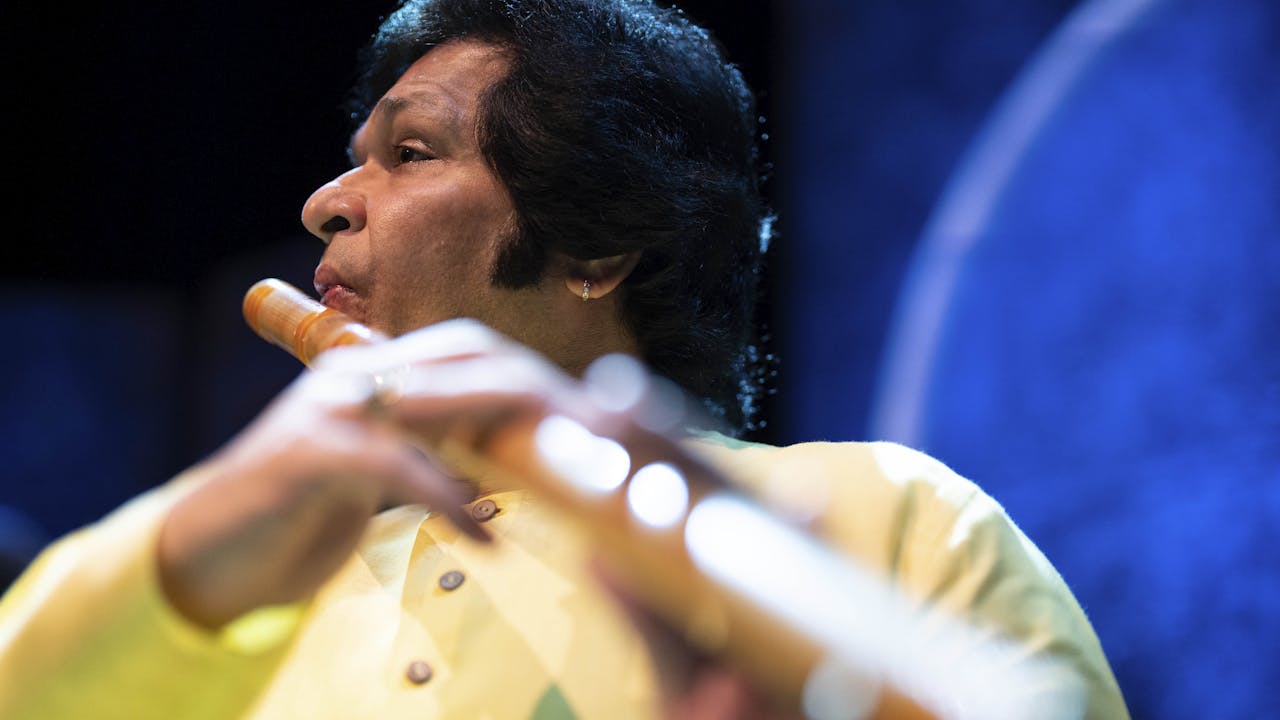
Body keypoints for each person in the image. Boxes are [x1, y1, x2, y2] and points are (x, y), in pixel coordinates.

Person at [0, 0, 1128, 718]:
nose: (324, 203)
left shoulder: (887, 518)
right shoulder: (236, 586)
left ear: (595, 246)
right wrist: (190, 549)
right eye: (353, 161)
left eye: (410, 152)